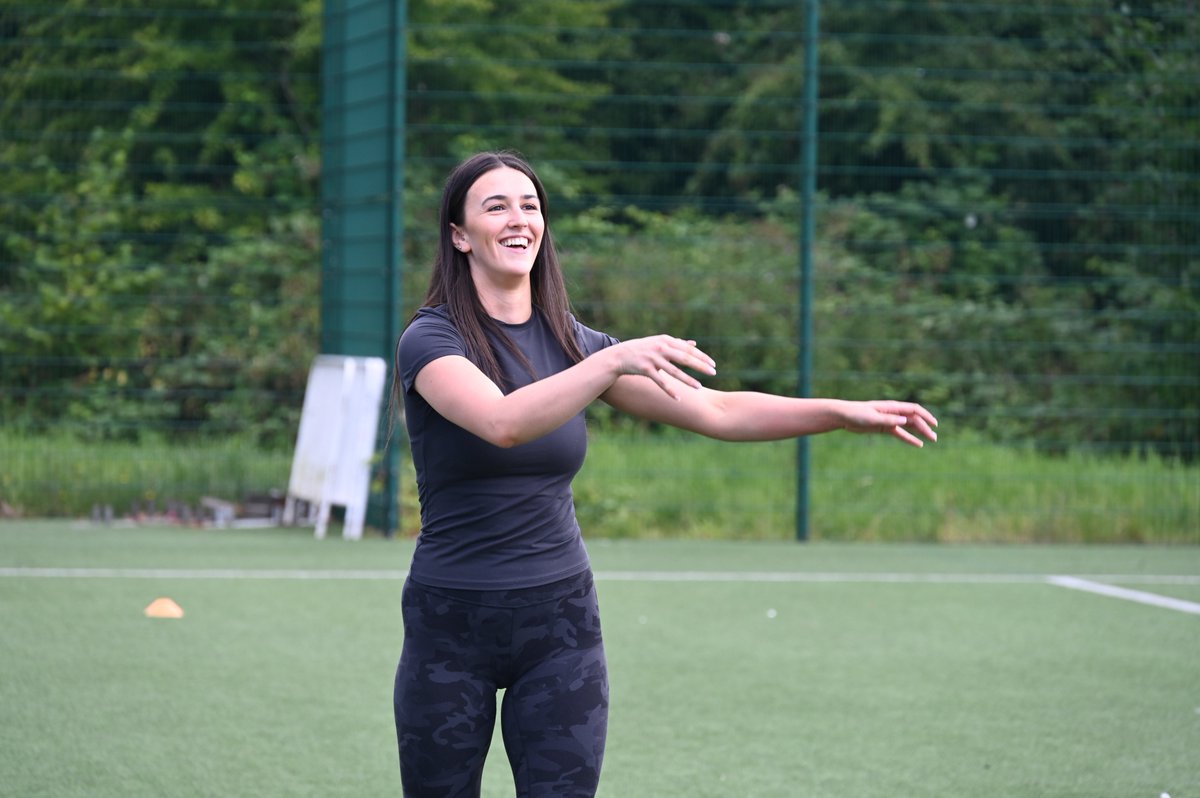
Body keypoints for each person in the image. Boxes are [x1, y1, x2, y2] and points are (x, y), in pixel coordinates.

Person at [391, 150, 938, 797]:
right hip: (451, 624)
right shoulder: (431, 341)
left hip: (560, 625)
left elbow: (717, 410)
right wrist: (611, 362)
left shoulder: (571, 342)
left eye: (531, 205)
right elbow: (503, 422)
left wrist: (840, 413)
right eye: (497, 206)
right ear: (459, 236)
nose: (519, 219)